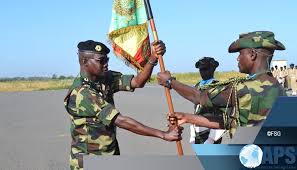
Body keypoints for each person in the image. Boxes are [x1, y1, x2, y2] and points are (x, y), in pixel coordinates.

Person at [64, 40, 182, 170]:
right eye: (101, 61)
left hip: (109, 154)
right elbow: (120, 120)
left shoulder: (104, 78)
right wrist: (164, 134)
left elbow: (137, 82)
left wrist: (152, 58)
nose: (106, 64)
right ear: (84, 61)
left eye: (107, 60)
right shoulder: (82, 93)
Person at [158, 31, 286, 138]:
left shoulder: (242, 88)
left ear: (252, 55)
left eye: (240, 53)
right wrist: (187, 118)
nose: (238, 58)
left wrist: (170, 81)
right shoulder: (278, 87)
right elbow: (231, 122)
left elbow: (198, 96)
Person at [189, 57, 225, 144]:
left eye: (205, 69)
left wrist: (212, 138)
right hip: (198, 130)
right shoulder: (197, 86)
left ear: (212, 69)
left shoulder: (218, 87)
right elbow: (196, 109)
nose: (202, 72)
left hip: (212, 131)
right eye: (200, 69)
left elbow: (222, 114)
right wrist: (192, 133)